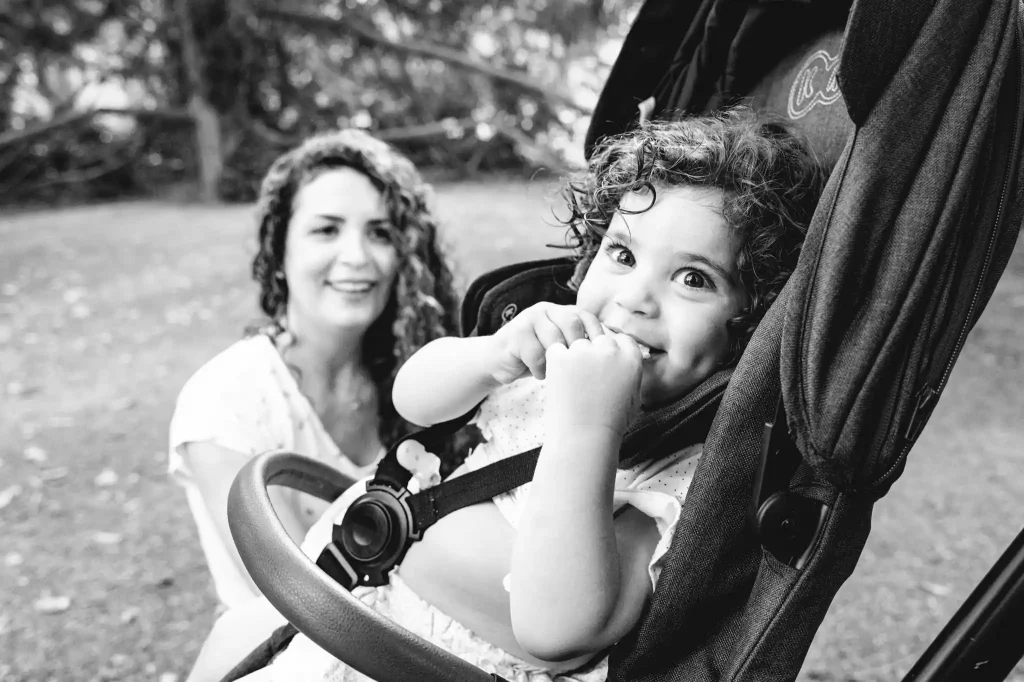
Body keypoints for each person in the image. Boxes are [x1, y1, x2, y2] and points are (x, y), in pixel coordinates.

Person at [193, 107, 824, 682]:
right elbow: (414, 400)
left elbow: (558, 632)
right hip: (334, 617)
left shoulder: (679, 479)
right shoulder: (539, 362)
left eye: (692, 278)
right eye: (623, 254)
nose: (635, 298)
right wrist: (490, 356)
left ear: (750, 326)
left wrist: (588, 429)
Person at [168, 129, 460, 612]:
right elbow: (301, 601)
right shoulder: (224, 401)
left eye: (380, 233)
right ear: (279, 251)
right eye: (326, 230)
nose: (357, 257)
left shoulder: (419, 373)